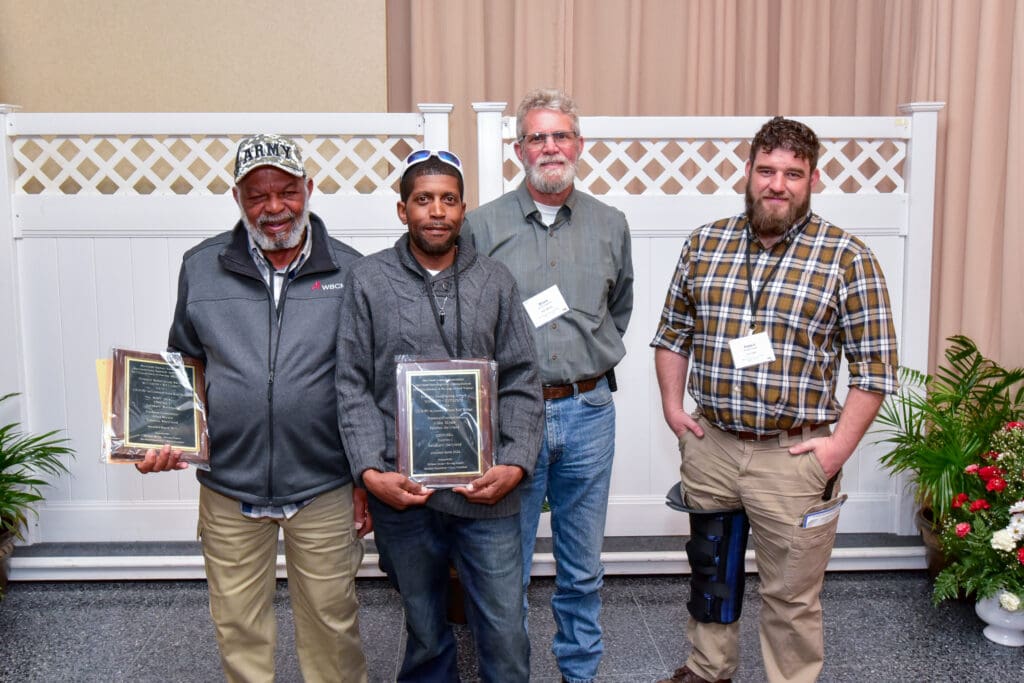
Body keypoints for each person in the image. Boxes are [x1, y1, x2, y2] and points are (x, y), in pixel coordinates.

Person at [651, 116, 899, 683]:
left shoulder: (847, 257)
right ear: (748, 171)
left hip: (793, 457)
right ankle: (708, 668)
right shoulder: (704, 243)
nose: (777, 185)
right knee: (711, 570)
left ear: (814, 179)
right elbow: (672, 335)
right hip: (712, 445)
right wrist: (673, 407)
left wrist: (836, 449)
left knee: (791, 592)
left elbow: (875, 367)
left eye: (793, 173)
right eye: (766, 170)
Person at [136, 134, 370, 683]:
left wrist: (366, 475)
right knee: (238, 627)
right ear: (237, 198)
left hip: (324, 482)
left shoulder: (353, 270)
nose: (273, 207)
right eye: (257, 195)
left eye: (286, 191)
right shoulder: (201, 266)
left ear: (309, 189)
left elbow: (366, 380)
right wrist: (158, 436)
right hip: (229, 484)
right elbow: (185, 362)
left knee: (333, 627)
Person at [335, 149, 544, 682]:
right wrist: (370, 472)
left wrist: (515, 464)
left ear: (463, 210)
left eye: (448, 200)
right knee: (426, 630)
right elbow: (352, 383)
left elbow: (522, 379)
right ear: (402, 210)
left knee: (506, 631)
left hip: (487, 494)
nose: (436, 211)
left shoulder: (495, 280)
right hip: (404, 494)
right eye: (423, 200)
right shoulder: (368, 279)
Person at [463, 88, 634, 683]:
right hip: (512, 416)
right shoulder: (481, 227)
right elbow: (466, 322)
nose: (551, 147)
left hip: (589, 410)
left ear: (579, 145)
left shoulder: (611, 224)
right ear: (519, 150)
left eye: (561, 135)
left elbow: (619, 309)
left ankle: (579, 673)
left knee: (581, 567)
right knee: (504, 568)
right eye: (537, 137)